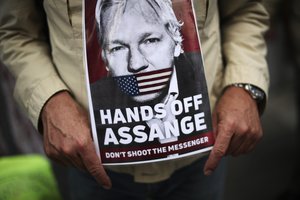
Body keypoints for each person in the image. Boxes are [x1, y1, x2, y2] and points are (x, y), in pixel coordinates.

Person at [0, 0, 270, 199]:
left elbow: (244, 11)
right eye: (117, 47)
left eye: (150, 40)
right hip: (94, 168)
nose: (135, 63)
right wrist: (49, 100)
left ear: (176, 40)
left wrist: (244, 85)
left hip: (202, 161)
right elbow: (17, 32)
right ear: (104, 57)